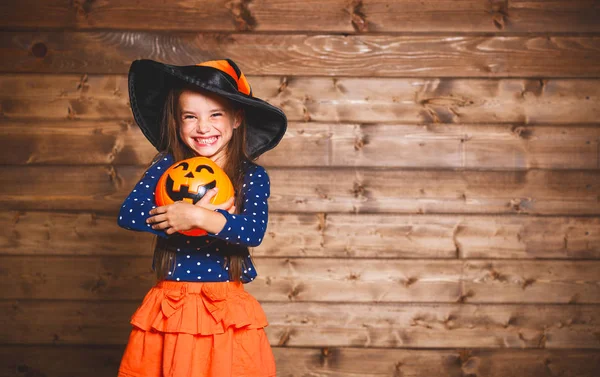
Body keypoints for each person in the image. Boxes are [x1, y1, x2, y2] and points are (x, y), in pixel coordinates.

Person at [116, 58, 287, 377]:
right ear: (177, 122)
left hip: (225, 307)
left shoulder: (250, 175)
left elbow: (252, 232)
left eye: (215, 115)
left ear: (237, 119)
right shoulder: (166, 166)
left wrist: (200, 218)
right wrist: (177, 218)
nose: (203, 127)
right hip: (171, 304)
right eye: (190, 117)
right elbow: (129, 213)